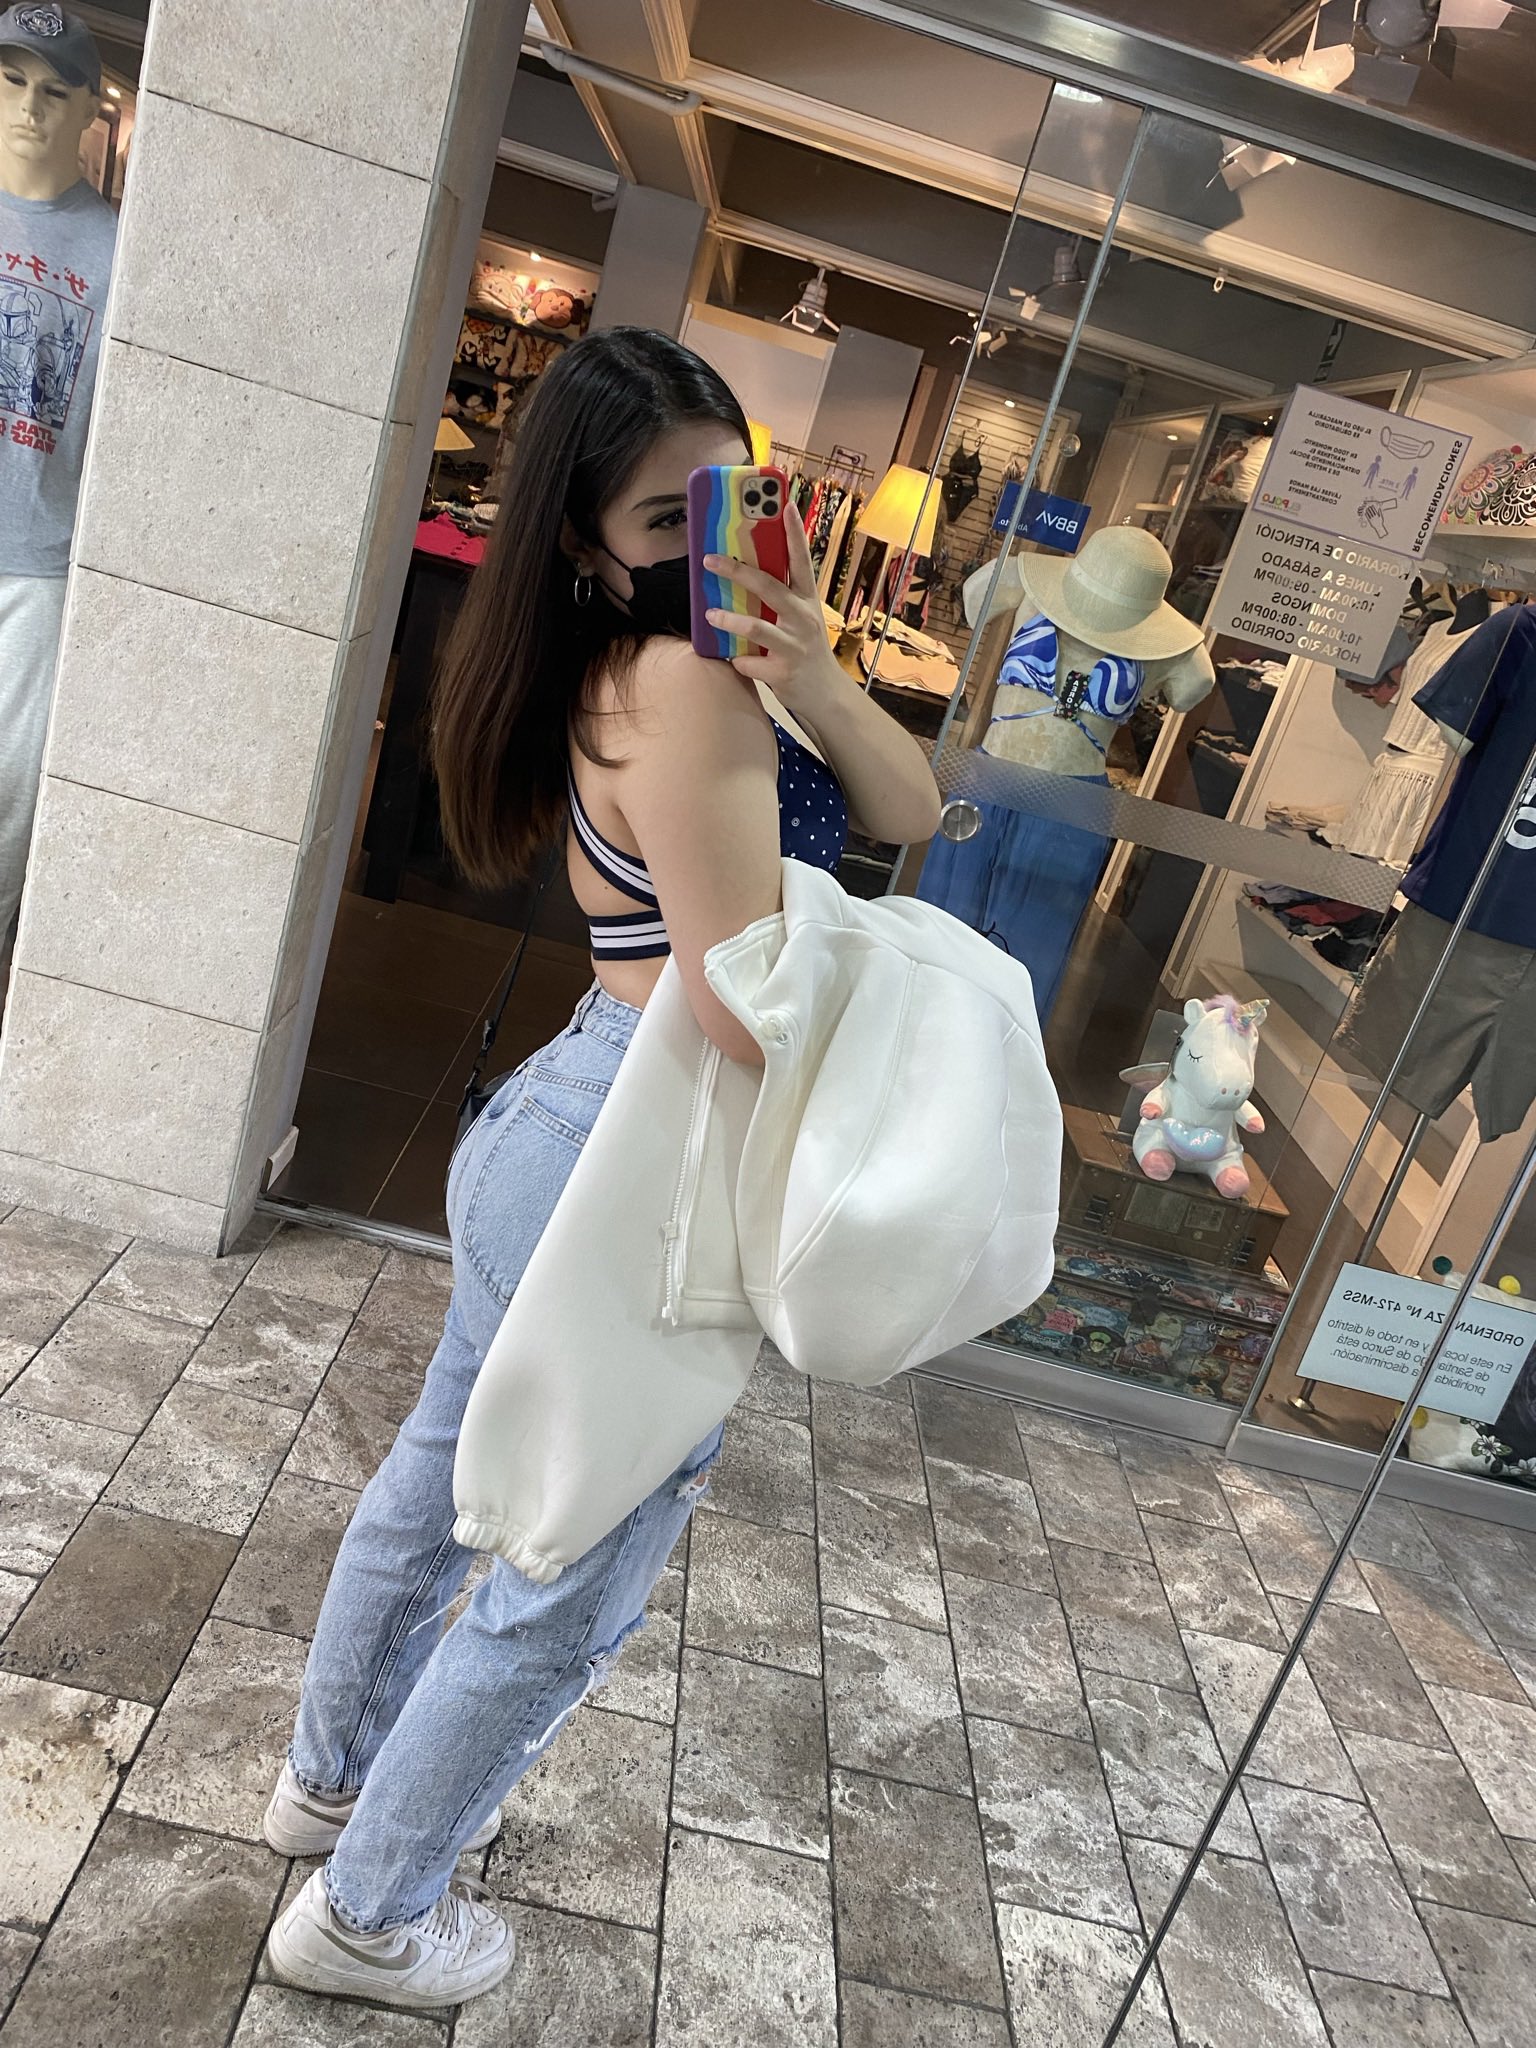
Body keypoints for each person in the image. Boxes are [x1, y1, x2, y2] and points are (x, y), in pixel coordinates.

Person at [263, 326, 940, 2013]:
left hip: (568, 1119)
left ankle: (330, 1788)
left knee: (444, 1485)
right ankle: (367, 1918)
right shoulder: (683, 683)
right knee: (564, 1572)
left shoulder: (664, 661)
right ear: (583, 534)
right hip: (639, 1162)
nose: (711, 541)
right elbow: (736, 1005)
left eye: (736, 498)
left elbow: (912, 803)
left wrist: (819, 669)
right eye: (666, 517)